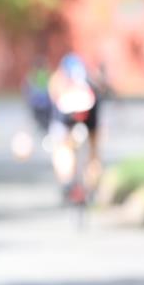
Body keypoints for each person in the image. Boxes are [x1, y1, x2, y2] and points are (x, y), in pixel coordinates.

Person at [48, 52, 102, 199]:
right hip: (85, 110)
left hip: (70, 111)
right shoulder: (89, 84)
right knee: (91, 150)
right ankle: (90, 185)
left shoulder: (58, 84)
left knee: (62, 148)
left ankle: (69, 181)